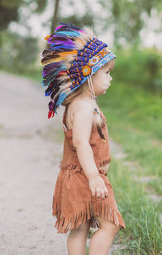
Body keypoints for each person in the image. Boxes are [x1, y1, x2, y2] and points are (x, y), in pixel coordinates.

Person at [40, 22, 126, 255]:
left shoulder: (78, 105)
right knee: (110, 225)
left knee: (79, 229)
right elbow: (80, 143)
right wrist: (93, 177)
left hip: (75, 178)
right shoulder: (85, 107)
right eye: (106, 73)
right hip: (86, 178)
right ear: (88, 74)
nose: (110, 79)